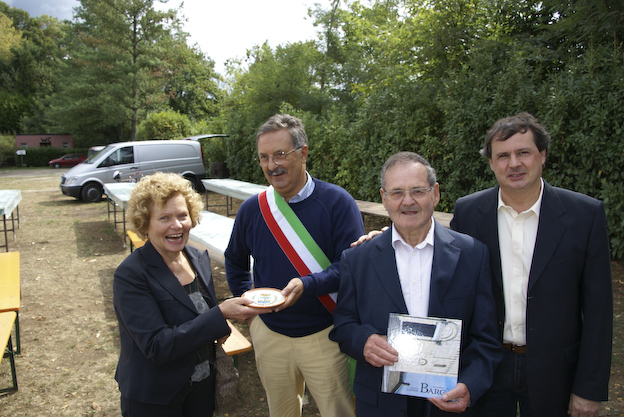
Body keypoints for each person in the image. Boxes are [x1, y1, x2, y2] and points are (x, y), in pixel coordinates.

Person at [450, 112, 613, 417]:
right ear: (491, 163)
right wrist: (383, 241)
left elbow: (598, 310)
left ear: (542, 155)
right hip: (486, 366)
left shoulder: (584, 215)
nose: (514, 163)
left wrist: (589, 388)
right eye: (503, 156)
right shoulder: (468, 212)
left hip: (556, 370)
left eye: (523, 152)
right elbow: (447, 277)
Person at [330, 151, 502, 417]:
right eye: (397, 193)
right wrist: (363, 341)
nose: (407, 201)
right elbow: (343, 325)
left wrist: (471, 384)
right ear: (384, 198)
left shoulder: (472, 254)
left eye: (418, 191)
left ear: (435, 194)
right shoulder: (357, 259)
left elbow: (486, 338)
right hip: (382, 404)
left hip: (448, 401)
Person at [225, 114, 365, 417]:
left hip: (326, 334)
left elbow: (350, 266)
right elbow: (235, 259)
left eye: (280, 154)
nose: (271, 165)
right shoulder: (253, 209)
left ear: (303, 153)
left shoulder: (338, 202)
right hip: (269, 334)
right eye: (264, 157)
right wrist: (251, 311)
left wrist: (308, 284)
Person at [113, 172, 259, 417]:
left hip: (201, 390)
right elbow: (157, 346)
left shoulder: (197, 258)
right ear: (145, 223)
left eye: (182, 215)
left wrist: (222, 324)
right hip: (156, 398)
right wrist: (220, 314)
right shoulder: (131, 274)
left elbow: (198, 316)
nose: (177, 225)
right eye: (164, 218)